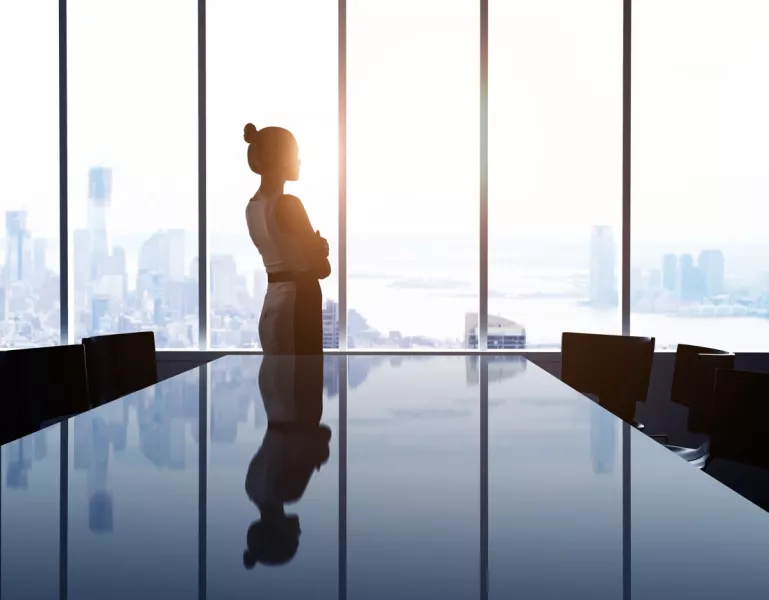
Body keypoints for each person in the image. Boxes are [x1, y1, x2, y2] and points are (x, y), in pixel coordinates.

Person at [244, 123, 331, 355]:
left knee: (277, 382)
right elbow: (322, 269)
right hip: (300, 303)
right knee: (302, 383)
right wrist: (322, 251)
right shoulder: (289, 204)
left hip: (273, 301)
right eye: (296, 155)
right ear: (282, 159)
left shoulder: (252, 207)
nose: (300, 162)